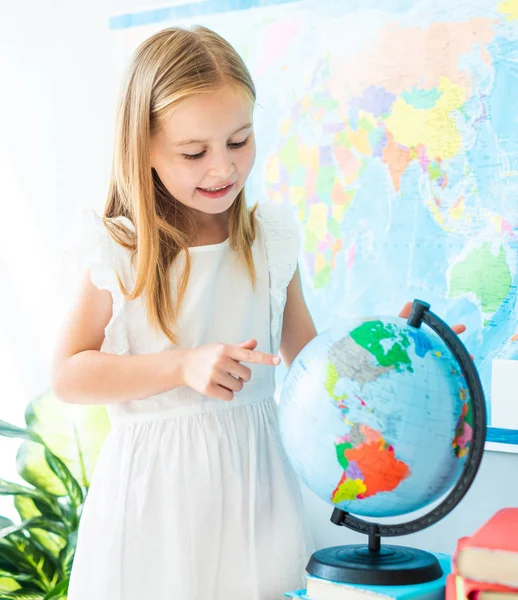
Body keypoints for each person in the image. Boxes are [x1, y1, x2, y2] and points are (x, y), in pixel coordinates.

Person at [51, 25, 466, 600]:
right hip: (153, 505)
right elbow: (69, 373)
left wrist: (392, 351)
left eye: (239, 141)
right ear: (142, 147)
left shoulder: (269, 240)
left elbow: (312, 365)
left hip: (255, 494)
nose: (223, 169)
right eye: (194, 152)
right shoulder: (119, 249)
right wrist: (181, 366)